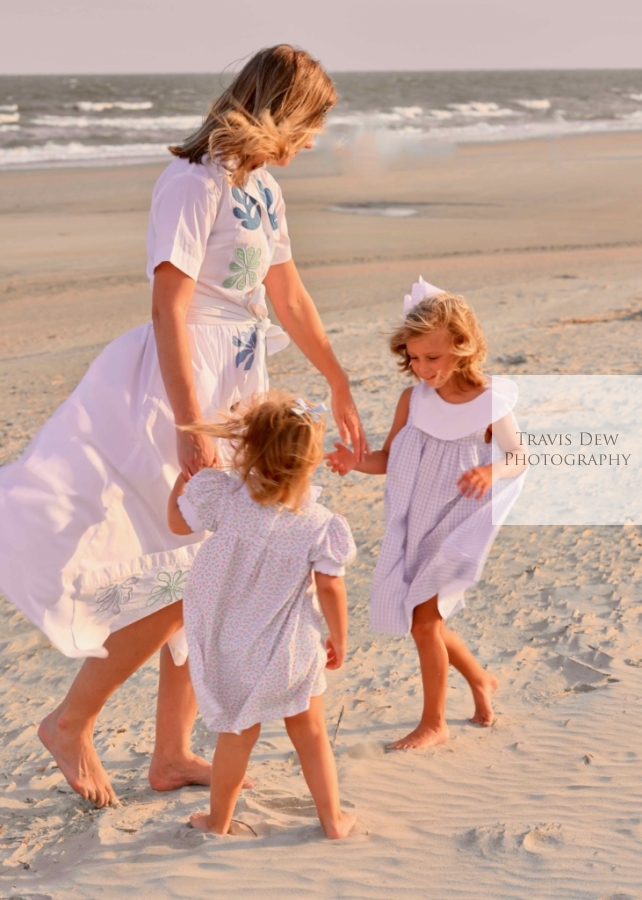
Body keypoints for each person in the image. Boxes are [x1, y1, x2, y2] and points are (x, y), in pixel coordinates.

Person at [0, 45, 365, 808]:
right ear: (281, 112)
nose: (313, 141)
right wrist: (188, 426)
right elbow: (168, 308)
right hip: (182, 387)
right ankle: (70, 722)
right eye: (311, 124)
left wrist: (336, 378)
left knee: (205, 564)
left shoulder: (262, 188)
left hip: (238, 383)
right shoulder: (192, 183)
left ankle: (171, 754)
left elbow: (288, 295)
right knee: (197, 570)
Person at [326, 278, 527, 750]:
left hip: (461, 523)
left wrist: (491, 472)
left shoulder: (490, 402)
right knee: (427, 617)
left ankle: (435, 723)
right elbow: (389, 458)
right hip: (418, 523)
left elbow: (520, 456)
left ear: (462, 346)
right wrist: (356, 462)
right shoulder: (413, 400)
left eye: (432, 357)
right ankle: (480, 679)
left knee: (424, 623)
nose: (422, 368)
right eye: (413, 358)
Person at [167, 393, 357, 839]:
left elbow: (176, 524)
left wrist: (184, 479)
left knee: (237, 735)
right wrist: (339, 637)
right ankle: (333, 821)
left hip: (233, 649)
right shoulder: (319, 523)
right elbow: (331, 587)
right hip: (292, 649)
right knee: (311, 733)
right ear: (310, 461)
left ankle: (218, 821)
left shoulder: (225, 498)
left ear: (250, 450)